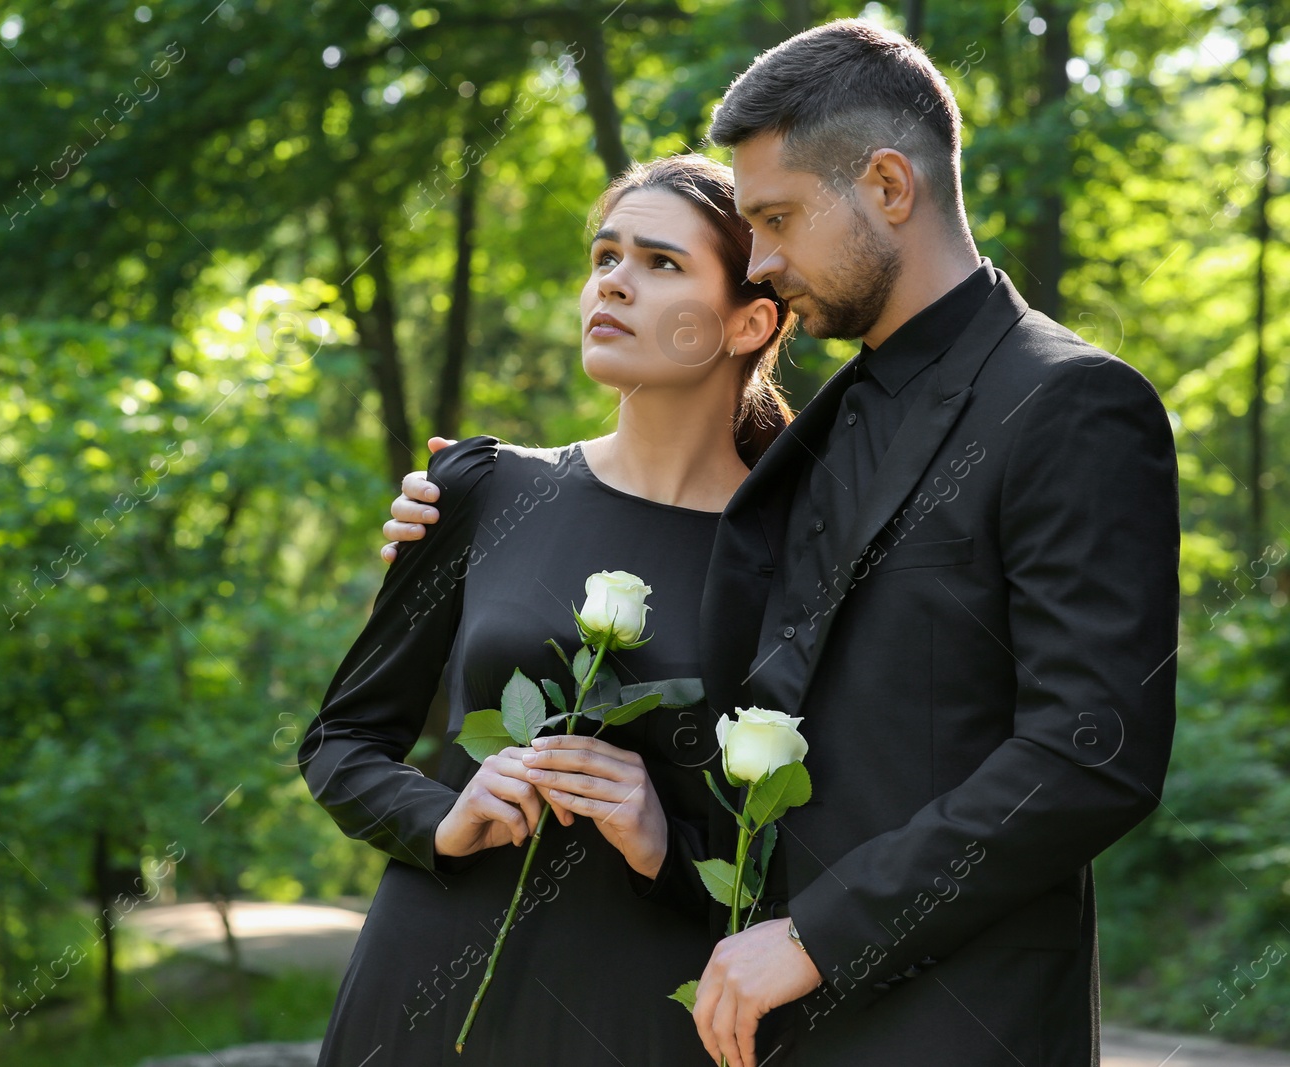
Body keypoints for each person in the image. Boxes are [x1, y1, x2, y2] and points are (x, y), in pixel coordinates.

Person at [383, 19, 1180, 1067]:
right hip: (757, 1028)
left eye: (775, 218)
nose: (759, 259)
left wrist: (816, 935)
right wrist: (465, 530)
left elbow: (1087, 756)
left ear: (889, 186)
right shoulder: (816, 434)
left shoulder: (1070, 402)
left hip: (954, 1025)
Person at [300, 153, 796, 1065]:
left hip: (647, 1021)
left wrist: (666, 843)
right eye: (605, 255)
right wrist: (441, 817)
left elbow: (818, 846)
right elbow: (340, 740)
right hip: (421, 994)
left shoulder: (801, 556)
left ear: (748, 321)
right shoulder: (482, 488)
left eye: (661, 264)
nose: (612, 281)